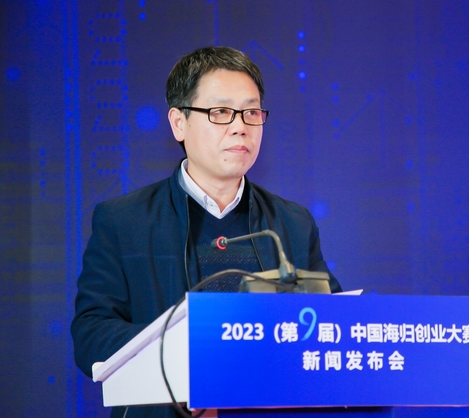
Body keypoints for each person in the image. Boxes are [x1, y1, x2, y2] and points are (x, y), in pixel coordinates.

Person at [71, 46, 341, 418]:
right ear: (178, 123)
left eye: (251, 112)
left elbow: (332, 330)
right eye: (220, 112)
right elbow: (91, 336)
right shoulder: (124, 221)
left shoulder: (292, 222)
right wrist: (200, 348)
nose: (240, 126)